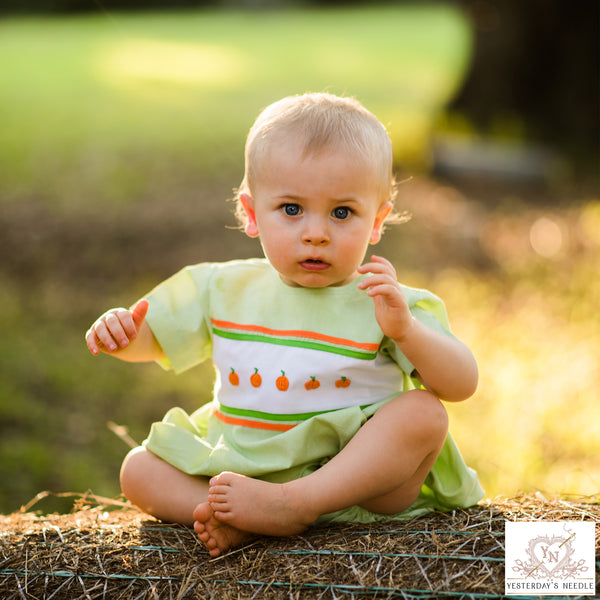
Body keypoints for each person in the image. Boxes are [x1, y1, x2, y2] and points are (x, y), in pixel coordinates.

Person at [85, 92, 484, 558]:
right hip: (242, 467)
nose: (316, 232)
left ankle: (296, 504)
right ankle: (232, 515)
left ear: (376, 222)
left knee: (425, 413)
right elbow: (151, 337)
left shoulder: (387, 299)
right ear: (252, 213)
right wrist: (122, 334)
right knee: (138, 469)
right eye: (292, 209)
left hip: (355, 480)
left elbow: (461, 384)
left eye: (342, 212)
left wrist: (406, 332)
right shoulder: (220, 286)